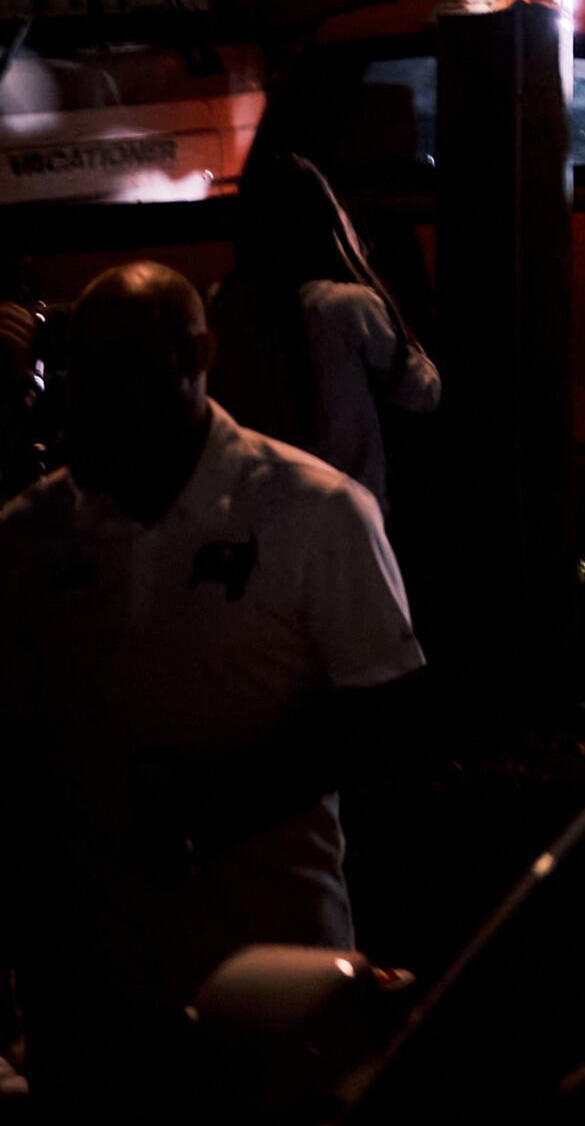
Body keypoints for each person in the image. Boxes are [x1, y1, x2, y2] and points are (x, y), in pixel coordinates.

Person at [0, 266, 428, 1105]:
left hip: (272, 981)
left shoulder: (313, 512)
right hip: (88, 997)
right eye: (91, 363)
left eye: (132, 361)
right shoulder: (34, 534)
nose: (109, 389)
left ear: (199, 353)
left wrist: (213, 806)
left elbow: (389, 712)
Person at [208, 151, 440, 517]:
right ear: (325, 223)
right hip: (348, 514)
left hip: (256, 515)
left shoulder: (223, 307)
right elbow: (422, 393)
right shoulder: (347, 307)